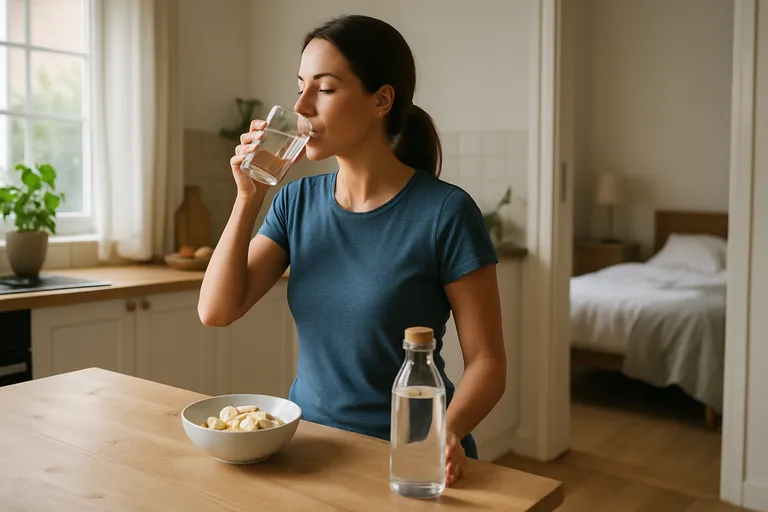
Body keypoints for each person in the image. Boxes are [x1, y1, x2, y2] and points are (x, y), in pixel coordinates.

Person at [198, 14, 506, 486]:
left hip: (410, 457)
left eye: (324, 89)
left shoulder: (446, 212)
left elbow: (487, 362)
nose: (301, 105)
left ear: (382, 100)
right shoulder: (295, 202)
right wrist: (248, 196)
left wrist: (444, 432)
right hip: (310, 451)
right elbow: (217, 311)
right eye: (300, 86)